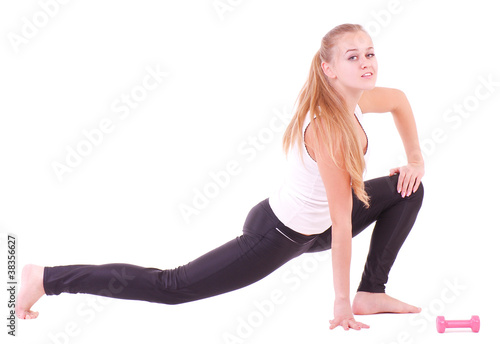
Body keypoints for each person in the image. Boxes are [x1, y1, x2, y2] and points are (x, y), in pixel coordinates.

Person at [16, 23, 425, 331]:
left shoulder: (358, 101)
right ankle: (47, 278)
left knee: (408, 189)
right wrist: (339, 303)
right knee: (171, 287)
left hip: (313, 226)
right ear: (329, 69)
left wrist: (415, 160)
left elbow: (401, 102)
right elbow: (341, 225)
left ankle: (371, 291)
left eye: (369, 53)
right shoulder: (329, 129)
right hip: (278, 236)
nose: (366, 63)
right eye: (352, 57)